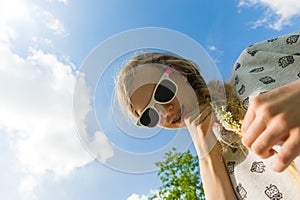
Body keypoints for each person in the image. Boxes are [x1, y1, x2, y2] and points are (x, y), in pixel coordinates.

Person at [115, 30, 300, 199]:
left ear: (180, 73)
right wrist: (207, 153)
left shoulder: (253, 60)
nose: (165, 111)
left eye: (163, 92)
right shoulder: (214, 167)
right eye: (150, 115)